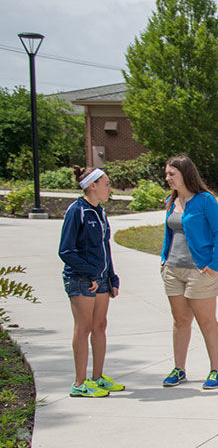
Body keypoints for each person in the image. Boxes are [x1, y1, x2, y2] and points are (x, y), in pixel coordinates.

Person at [160, 155, 218, 390]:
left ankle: (216, 370)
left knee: (206, 321)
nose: (167, 178)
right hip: (173, 269)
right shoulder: (172, 200)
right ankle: (179, 369)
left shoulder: (205, 200)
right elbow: (169, 233)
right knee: (180, 321)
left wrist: (213, 265)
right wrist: (162, 260)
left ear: (185, 174)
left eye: (172, 174)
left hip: (200, 271)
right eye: (167, 174)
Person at [59, 165, 124, 398]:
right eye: (106, 183)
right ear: (92, 185)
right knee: (83, 327)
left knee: (100, 326)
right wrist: (90, 273)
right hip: (80, 279)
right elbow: (66, 251)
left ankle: (97, 378)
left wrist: (111, 276)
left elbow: (106, 247)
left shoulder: (100, 212)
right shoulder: (77, 211)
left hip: (100, 280)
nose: (109, 188)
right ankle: (79, 383)